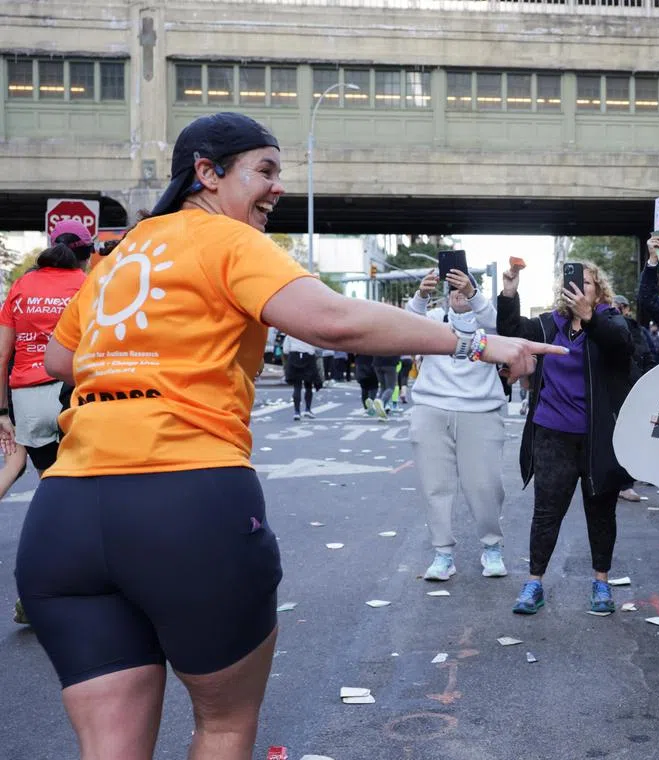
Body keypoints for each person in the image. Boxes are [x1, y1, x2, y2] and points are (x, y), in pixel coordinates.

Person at [12, 111, 556, 760]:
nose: (277, 189)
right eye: (264, 171)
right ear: (207, 174)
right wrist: (478, 342)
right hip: (185, 504)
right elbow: (333, 323)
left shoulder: (118, 255)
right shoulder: (226, 241)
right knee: (222, 727)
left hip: (65, 515)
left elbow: (60, 362)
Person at [498, 260, 632, 615]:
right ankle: (534, 583)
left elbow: (621, 343)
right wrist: (510, 290)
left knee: (600, 513)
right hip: (552, 433)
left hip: (597, 437)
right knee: (546, 513)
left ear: (598, 290)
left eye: (587, 283)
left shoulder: (610, 320)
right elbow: (510, 330)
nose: (580, 287)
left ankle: (601, 583)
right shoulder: (548, 325)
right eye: (575, 282)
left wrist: (591, 317)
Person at [0, 219, 92, 625]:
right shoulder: (89, 285)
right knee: (87, 497)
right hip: (78, 395)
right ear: (86, 254)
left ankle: (36, 592)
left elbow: (2, 355)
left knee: (51, 495)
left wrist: (3, 412)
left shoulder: (21, 287)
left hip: (29, 399)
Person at [406, 269, 508, 581]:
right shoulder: (433, 317)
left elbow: (499, 324)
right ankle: (442, 554)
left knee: (485, 485)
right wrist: (421, 295)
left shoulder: (486, 318)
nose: (458, 293)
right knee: (435, 485)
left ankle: (492, 547)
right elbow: (407, 326)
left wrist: (474, 294)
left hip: (480, 410)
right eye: (453, 288)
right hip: (431, 408)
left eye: (465, 287)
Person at [613, 294, 652, 503]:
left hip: (631, 387)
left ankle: (625, 483)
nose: (618, 309)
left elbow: (646, 354)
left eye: (621, 306)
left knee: (629, 434)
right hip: (613, 388)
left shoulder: (634, 328)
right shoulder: (601, 325)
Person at [283, 333, 320, 421]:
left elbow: (285, 350)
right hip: (308, 357)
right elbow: (317, 347)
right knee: (308, 385)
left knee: (297, 386)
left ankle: (297, 412)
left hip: (294, 357)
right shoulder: (309, 333)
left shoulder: (290, 333)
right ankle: (307, 409)